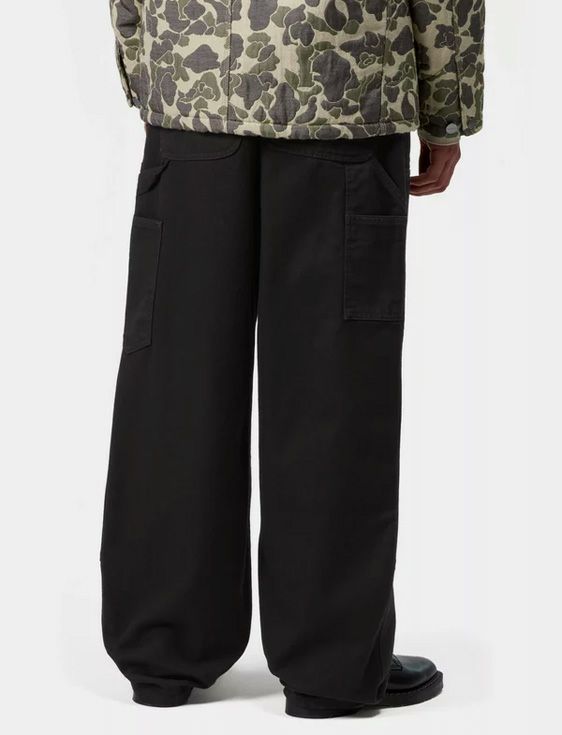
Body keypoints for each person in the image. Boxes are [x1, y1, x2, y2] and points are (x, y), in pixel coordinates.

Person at [100, 0, 485, 718]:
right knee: (333, 385)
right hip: (342, 83)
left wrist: (148, 67)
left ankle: (162, 649)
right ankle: (329, 664)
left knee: (177, 381)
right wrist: (447, 108)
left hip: (193, 86)